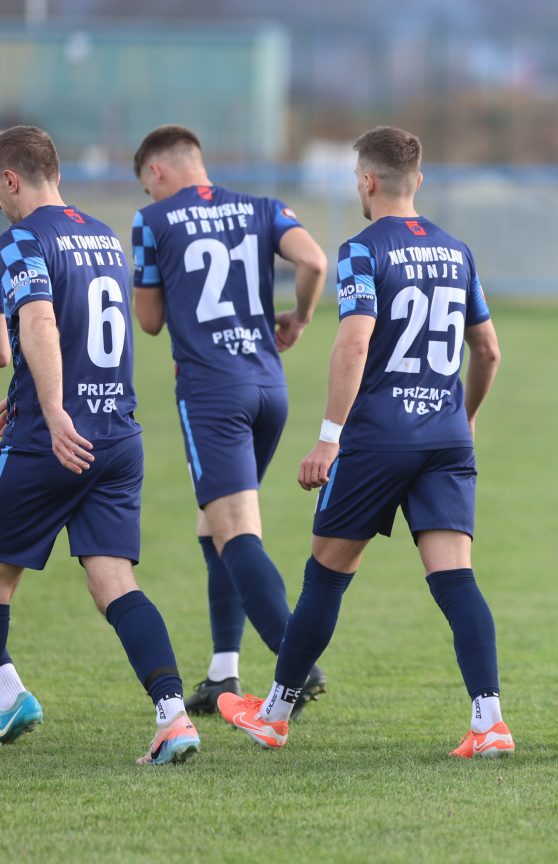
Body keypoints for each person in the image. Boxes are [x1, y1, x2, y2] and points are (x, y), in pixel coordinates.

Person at [216, 126, 508, 758]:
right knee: (456, 578)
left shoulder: (361, 250)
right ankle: (489, 721)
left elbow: (354, 341)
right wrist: (465, 416)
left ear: (368, 182)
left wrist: (328, 439)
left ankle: (273, 715)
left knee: (326, 575)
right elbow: (487, 350)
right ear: (418, 180)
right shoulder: (457, 251)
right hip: (445, 437)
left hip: (379, 438)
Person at [0, 125, 199, 764]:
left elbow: (39, 321)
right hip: (117, 437)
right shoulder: (104, 236)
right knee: (113, 580)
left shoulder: (22, 239)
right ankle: (173, 717)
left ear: (11, 180)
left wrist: (53, 410)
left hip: (53, 439)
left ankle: (7, 695)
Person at [131, 125, 329, 716]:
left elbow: (149, 321)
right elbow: (314, 260)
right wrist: (298, 317)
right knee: (215, 524)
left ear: (158, 172)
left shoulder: (153, 220)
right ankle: (223, 673)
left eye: (146, 185)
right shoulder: (262, 207)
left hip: (212, 391)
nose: (148, 195)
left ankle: (296, 662)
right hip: (268, 386)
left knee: (236, 528)